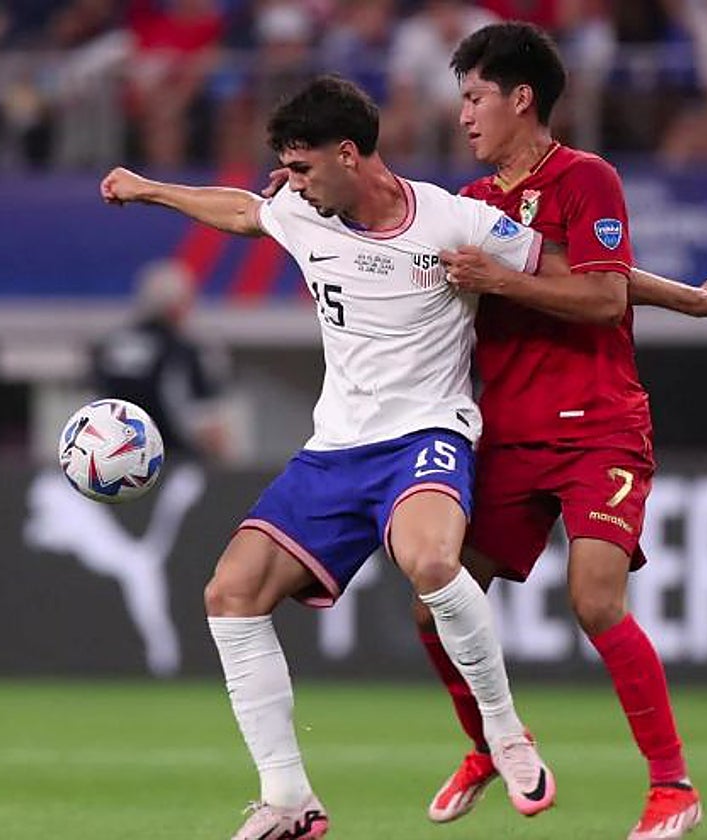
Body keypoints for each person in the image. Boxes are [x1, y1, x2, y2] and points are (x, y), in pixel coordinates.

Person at [100, 75, 559, 839]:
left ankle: (506, 732)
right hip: (335, 450)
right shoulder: (300, 210)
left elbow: (572, 276)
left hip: (427, 434)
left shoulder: (457, 220)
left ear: (349, 154)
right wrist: (150, 190)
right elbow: (242, 211)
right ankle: (290, 801)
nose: (291, 183)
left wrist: (677, 297)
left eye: (303, 167)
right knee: (230, 592)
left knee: (431, 562)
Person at [417, 22, 707, 840]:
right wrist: (689, 298)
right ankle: (490, 746)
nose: (463, 115)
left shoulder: (585, 178)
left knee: (595, 599)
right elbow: (589, 272)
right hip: (509, 433)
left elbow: (600, 294)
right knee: (434, 605)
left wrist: (496, 280)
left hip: (598, 426)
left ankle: (672, 787)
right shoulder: (473, 203)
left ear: (521, 98)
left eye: (475, 97)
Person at [91, 257, 233, 463]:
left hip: (112, 458)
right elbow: (200, 417)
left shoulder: (110, 344)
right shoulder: (182, 349)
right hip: (169, 457)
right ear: (176, 306)